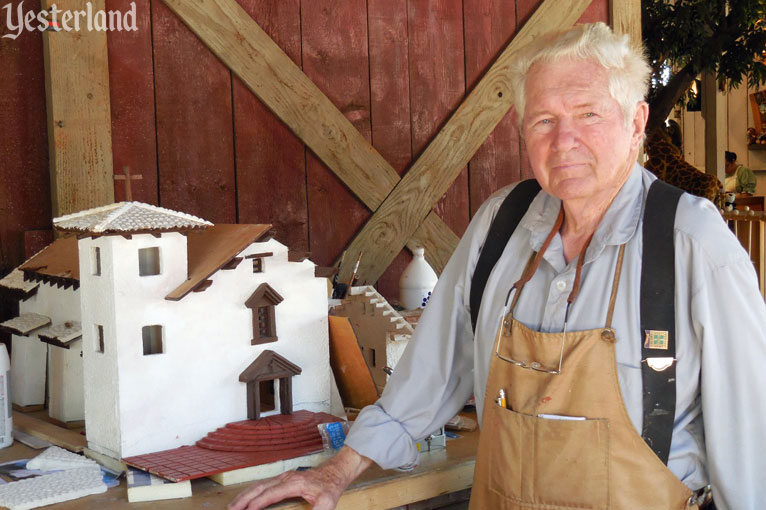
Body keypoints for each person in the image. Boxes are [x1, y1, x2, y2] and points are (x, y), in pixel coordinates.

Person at [230, 23, 766, 510]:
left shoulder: (691, 239)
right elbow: (433, 371)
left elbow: (750, 439)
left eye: (588, 114)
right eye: (544, 121)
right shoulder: (500, 225)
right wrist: (336, 472)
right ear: (522, 133)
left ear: (637, 122)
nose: (564, 141)